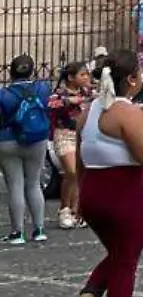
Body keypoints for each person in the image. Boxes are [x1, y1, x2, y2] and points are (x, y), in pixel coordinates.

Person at [61, 50, 143, 297]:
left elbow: (80, 157)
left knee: (118, 255)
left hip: (93, 194)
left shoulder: (89, 112)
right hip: (124, 195)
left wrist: (76, 198)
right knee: (126, 261)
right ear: (131, 79)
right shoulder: (127, 112)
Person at [0, 54, 52, 244]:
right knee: (33, 183)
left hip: (7, 141)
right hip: (37, 139)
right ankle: (39, 229)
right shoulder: (42, 88)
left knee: (15, 185)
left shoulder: (3, 94)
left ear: (11, 72)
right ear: (32, 70)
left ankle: (17, 232)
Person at [48, 62, 91, 230]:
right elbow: (51, 105)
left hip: (81, 135)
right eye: (82, 75)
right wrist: (69, 100)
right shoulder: (59, 93)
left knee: (80, 174)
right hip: (64, 134)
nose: (86, 78)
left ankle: (76, 210)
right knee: (71, 171)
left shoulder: (87, 92)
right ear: (71, 77)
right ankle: (64, 209)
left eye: (86, 74)